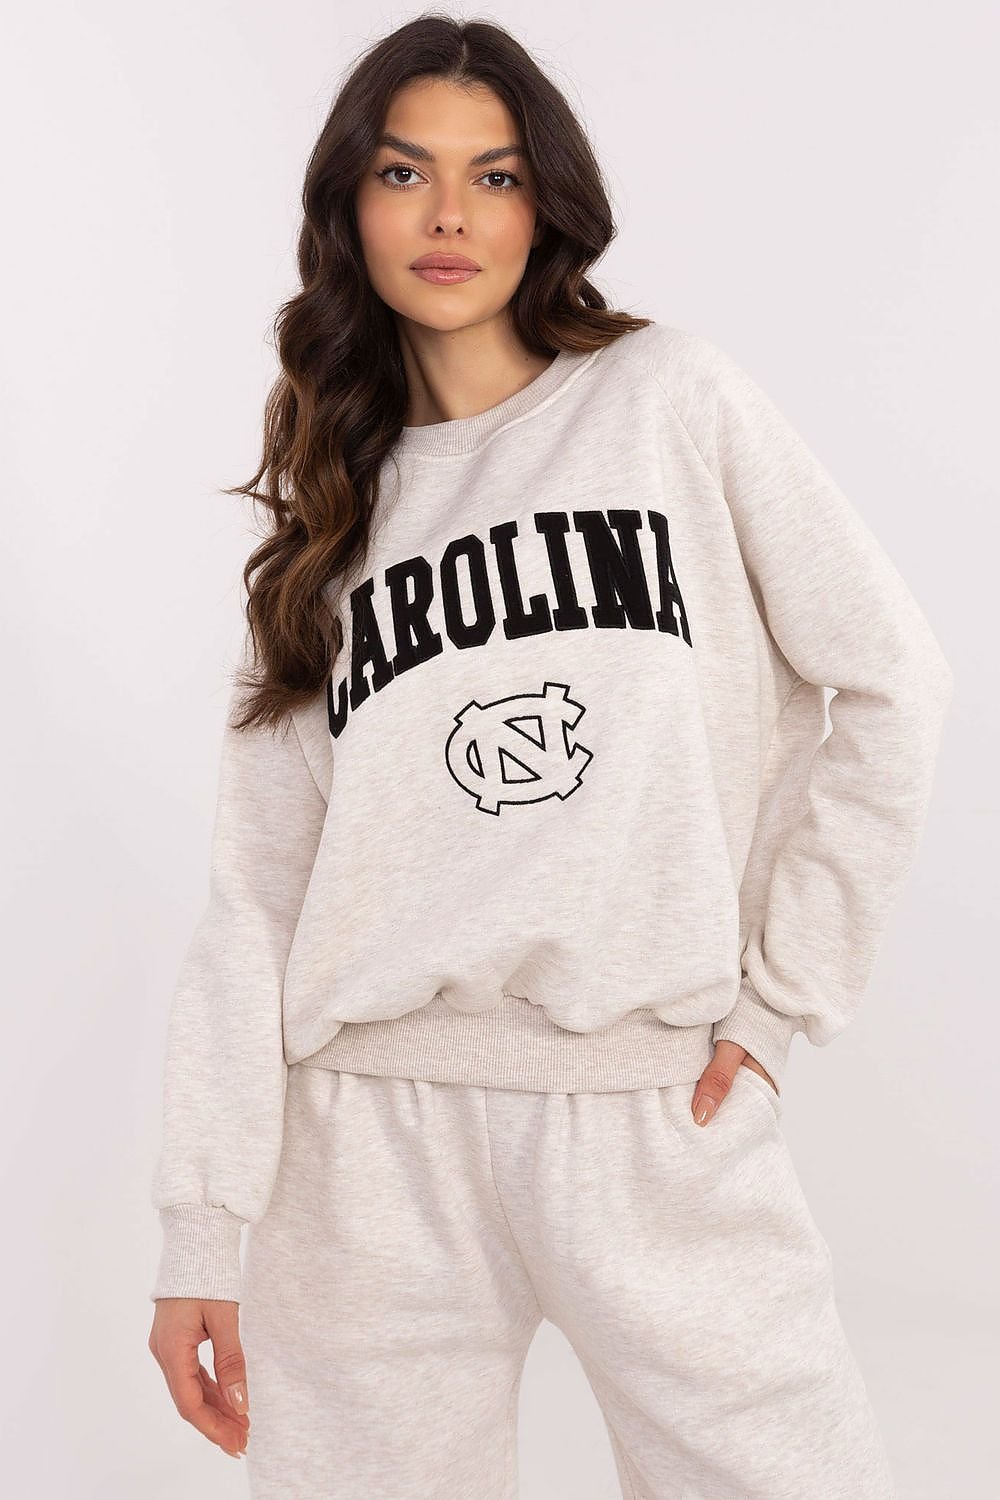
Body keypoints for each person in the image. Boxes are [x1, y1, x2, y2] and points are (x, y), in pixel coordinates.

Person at [146, 15, 951, 1499]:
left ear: (545, 207)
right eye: (405, 172)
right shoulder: (327, 524)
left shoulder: (669, 402)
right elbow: (256, 894)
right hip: (364, 1140)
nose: (450, 215)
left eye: (496, 175)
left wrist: (781, 1003)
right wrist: (205, 1222)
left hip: (650, 1106)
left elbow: (894, 680)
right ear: (349, 206)